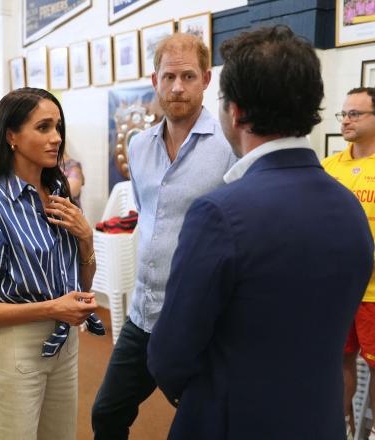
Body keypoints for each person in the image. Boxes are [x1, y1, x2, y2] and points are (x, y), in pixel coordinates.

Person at [146, 25, 374, 440]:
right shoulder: (350, 209)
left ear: (235, 111)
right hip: (319, 421)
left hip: (232, 421)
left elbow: (169, 355)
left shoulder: (219, 214)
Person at [91, 32, 236, 439]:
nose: (177, 87)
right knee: (107, 413)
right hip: (144, 311)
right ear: (154, 79)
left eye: (188, 76)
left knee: (203, 424)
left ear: (207, 79)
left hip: (202, 317)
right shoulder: (139, 147)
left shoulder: (228, 144)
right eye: (168, 76)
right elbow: (148, 212)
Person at [0, 87, 105, 440]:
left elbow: (82, 285)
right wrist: (51, 307)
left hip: (65, 344)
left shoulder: (60, 199)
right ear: (12, 136)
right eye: (44, 127)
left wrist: (86, 238)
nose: (56, 138)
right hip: (17, 348)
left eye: (58, 127)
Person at [323, 86, 375, 440]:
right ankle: (340, 429)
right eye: (344, 113)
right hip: (337, 291)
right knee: (338, 362)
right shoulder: (328, 166)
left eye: (355, 113)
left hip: (374, 293)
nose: (346, 120)